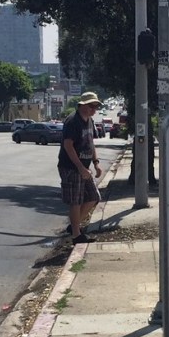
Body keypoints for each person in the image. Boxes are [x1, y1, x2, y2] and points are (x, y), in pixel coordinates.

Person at [58, 91, 104, 244]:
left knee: (93, 197)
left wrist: (96, 163)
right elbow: (68, 145)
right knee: (76, 201)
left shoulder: (89, 121)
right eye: (92, 106)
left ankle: (74, 226)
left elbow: (91, 143)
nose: (94, 109)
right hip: (71, 167)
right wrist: (80, 167)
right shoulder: (72, 121)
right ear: (82, 105)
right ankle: (77, 236)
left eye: (96, 106)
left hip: (85, 167)